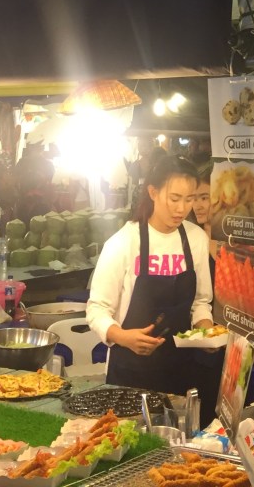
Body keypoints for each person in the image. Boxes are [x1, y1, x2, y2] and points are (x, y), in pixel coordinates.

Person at [87, 153, 217, 415]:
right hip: (131, 369)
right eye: (174, 198)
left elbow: (201, 301)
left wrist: (206, 331)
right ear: (153, 192)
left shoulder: (196, 239)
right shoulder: (123, 242)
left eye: (189, 199)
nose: (182, 209)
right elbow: (97, 309)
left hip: (181, 368)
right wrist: (123, 337)